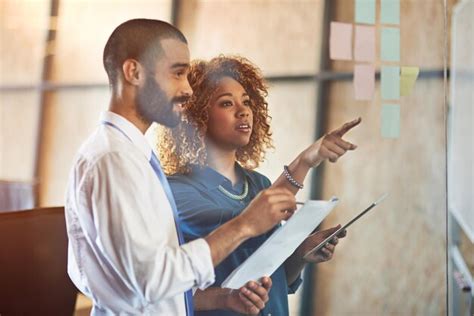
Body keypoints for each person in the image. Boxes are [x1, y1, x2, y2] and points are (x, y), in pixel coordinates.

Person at [65, 20, 298, 316]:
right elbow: (150, 281)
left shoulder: (133, 156)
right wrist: (245, 225)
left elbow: (141, 276)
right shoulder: (113, 160)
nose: (188, 90)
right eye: (177, 73)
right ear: (133, 72)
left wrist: (223, 299)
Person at [159, 56, 361, 315]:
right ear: (197, 116)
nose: (243, 111)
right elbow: (242, 224)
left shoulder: (259, 183)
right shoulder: (176, 191)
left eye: (246, 102)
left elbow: (274, 278)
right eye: (226, 103)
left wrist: (299, 254)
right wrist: (304, 161)